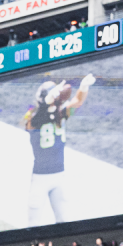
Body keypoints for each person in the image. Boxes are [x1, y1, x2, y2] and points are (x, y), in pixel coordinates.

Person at [22, 75, 95, 226]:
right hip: (40, 178)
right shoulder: (33, 115)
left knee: (64, 220)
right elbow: (30, 122)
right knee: (33, 223)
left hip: (59, 175)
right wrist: (46, 104)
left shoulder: (62, 113)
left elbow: (77, 102)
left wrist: (83, 88)